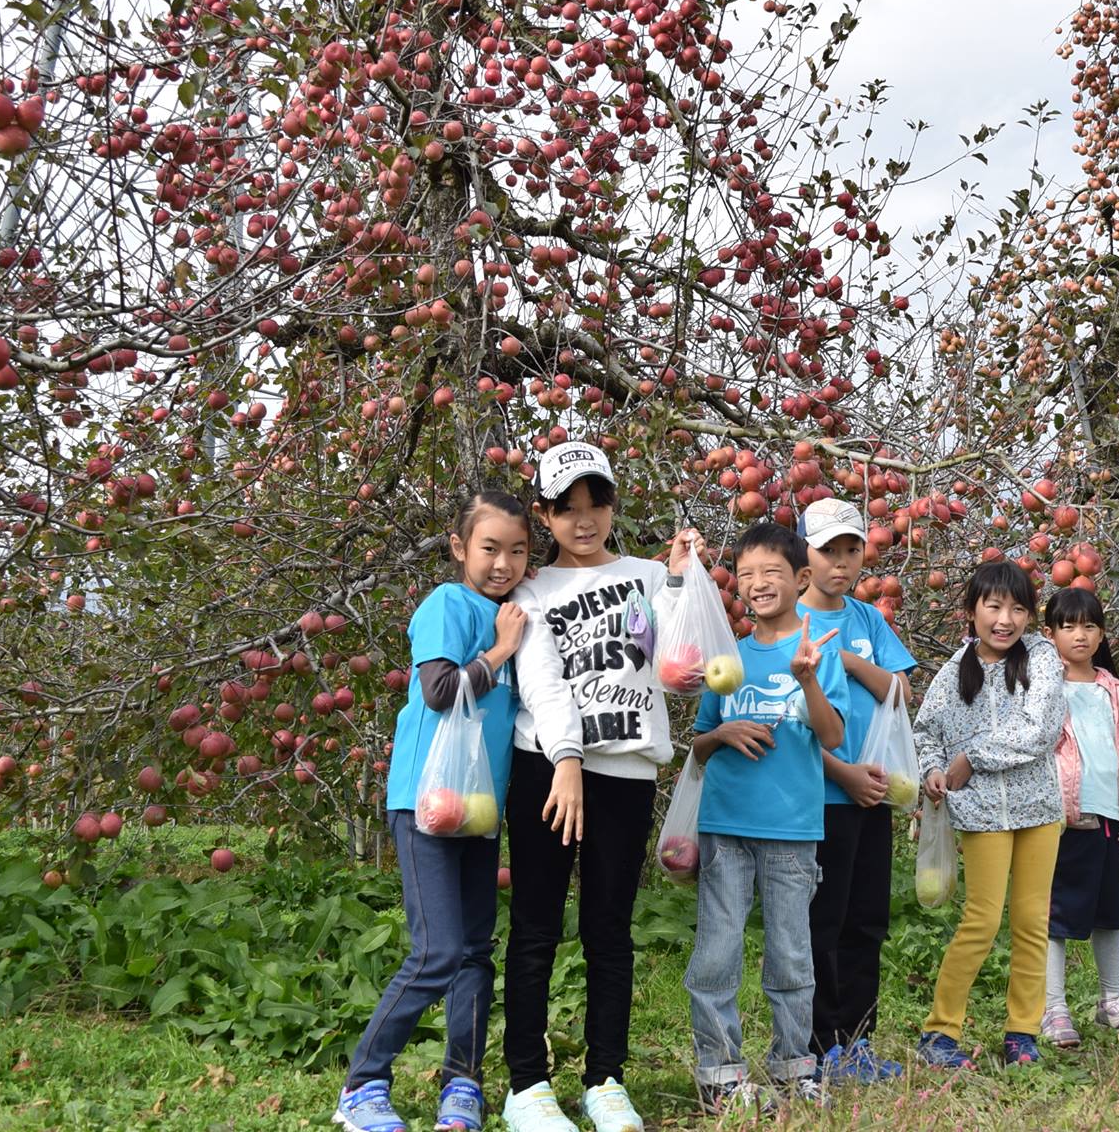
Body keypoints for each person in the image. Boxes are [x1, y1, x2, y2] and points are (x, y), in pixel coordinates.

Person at [334, 491, 533, 1132]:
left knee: (475, 950)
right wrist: (500, 652)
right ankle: (363, 1085)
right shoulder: (449, 605)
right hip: (426, 798)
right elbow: (442, 692)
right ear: (459, 548)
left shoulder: (517, 613)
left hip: (478, 804)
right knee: (438, 951)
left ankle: (462, 1084)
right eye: (490, 548)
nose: (504, 563)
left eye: (518, 551)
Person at [500, 443, 674, 1132]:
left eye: (594, 503)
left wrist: (689, 585)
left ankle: (606, 1078)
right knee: (537, 927)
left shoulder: (652, 576)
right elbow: (540, 679)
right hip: (546, 768)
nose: (583, 520)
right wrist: (566, 758)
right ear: (542, 514)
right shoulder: (532, 588)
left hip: (627, 770)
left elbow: (689, 655)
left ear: (612, 505)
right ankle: (526, 1087)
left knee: (609, 929)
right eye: (565, 508)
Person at [686, 522, 850, 1113]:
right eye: (747, 575)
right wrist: (722, 732)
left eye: (772, 574)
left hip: (792, 831)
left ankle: (793, 1066)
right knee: (717, 952)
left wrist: (806, 679)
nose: (757, 584)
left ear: (801, 579)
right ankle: (719, 1072)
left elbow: (832, 736)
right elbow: (699, 744)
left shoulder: (814, 652)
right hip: (726, 827)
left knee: (791, 954)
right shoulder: (726, 659)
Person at [912, 560, 1068, 1070]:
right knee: (980, 921)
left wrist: (971, 757)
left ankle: (1022, 1031)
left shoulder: (1042, 657)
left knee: (1030, 922)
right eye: (994, 606)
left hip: (1039, 809)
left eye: (1018, 608)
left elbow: (1039, 728)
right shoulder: (955, 670)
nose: (1006, 619)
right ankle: (940, 1033)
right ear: (972, 610)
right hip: (980, 814)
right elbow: (925, 731)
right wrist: (934, 770)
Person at [796, 498, 914, 1082]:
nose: (841, 563)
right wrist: (842, 774)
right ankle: (820, 1044)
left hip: (876, 793)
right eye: (828, 552)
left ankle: (859, 1040)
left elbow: (901, 692)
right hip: (822, 798)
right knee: (824, 922)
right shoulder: (789, 622)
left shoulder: (868, 620)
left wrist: (842, 657)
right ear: (804, 557)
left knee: (867, 918)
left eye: (851, 551)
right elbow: (780, 722)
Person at [1038, 586, 1119, 1048]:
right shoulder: (1042, 687)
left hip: (1111, 819)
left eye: (1088, 625)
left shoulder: (1116, 692)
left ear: (1102, 631)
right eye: (1067, 626)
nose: (1079, 635)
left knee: (1112, 914)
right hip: (1064, 820)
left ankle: (1112, 1001)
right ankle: (1054, 1008)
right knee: (1056, 917)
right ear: (1049, 634)